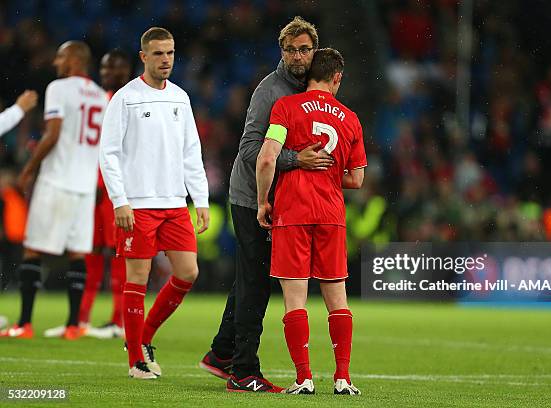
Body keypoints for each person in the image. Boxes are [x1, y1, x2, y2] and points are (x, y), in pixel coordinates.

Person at [200, 16, 334, 394]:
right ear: (282, 51)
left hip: (281, 201)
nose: (297, 56)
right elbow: (248, 150)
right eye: (290, 49)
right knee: (256, 283)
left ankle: (221, 353)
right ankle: (244, 371)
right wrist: (296, 160)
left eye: (304, 49)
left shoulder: (311, 90)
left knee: (250, 279)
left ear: (314, 51)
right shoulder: (270, 91)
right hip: (250, 199)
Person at [99, 27, 210, 379]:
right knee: (138, 277)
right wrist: (120, 200)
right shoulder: (125, 98)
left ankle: (143, 338)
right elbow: (109, 153)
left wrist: (201, 199)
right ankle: (136, 361)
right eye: (159, 54)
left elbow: (192, 152)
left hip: (175, 202)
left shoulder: (180, 97)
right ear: (143, 57)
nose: (166, 60)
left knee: (188, 272)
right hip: (138, 203)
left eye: (171, 53)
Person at [256, 48, 366, 395]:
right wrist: (330, 170)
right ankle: (343, 378)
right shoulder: (350, 117)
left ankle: (304, 378)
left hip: (292, 212)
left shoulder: (286, 107)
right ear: (337, 77)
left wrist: (262, 201)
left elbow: (266, 159)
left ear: (308, 75)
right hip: (331, 214)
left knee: (295, 299)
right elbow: (357, 179)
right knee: (337, 297)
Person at [0, 41, 108, 340]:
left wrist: (29, 168)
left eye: (60, 56)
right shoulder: (101, 97)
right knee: (77, 253)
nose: (56, 62)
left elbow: (53, 133)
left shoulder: (59, 88)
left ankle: (24, 324)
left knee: (33, 249)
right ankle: (74, 325)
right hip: (85, 185)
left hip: (56, 180)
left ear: (74, 60)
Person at [77, 49, 133, 339]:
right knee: (93, 252)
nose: (106, 73)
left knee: (119, 254)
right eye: (103, 67)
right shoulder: (100, 101)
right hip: (94, 190)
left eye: (114, 68)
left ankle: (119, 320)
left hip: (115, 192)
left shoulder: (130, 101)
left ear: (127, 70)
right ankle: (80, 319)